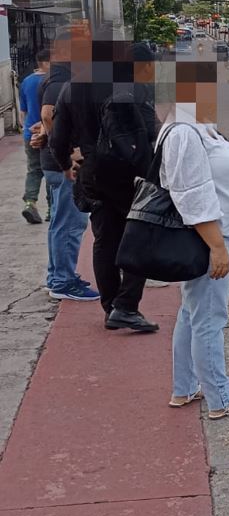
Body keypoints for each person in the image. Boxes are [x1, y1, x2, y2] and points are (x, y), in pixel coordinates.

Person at [157, 90, 229, 419]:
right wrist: (215, 247)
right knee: (209, 319)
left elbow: (209, 170)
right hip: (209, 236)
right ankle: (220, 398)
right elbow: (190, 193)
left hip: (215, 232)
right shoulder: (184, 131)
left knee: (191, 313)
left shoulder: (199, 126)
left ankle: (184, 388)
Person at [51, 38, 159, 332]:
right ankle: (126, 305)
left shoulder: (71, 88)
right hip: (128, 175)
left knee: (105, 240)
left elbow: (57, 139)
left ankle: (111, 306)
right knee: (140, 237)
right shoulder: (129, 87)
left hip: (92, 173)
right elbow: (150, 133)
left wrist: (65, 166)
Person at [32, 40, 99, 301]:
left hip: (55, 162)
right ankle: (63, 280)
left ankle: (57, 276)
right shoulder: (60, 79)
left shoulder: (59, 77)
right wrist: (67, 153)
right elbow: (48, 115)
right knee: (70, 224)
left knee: (61, 223)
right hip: (64, 166)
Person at [18, 52, 51, 224]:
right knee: (52, 169)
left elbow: (23, 111)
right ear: (46, 62)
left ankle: (30, 203)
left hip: (29, 132)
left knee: (33, 169)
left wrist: (25, 129)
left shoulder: (26, 81)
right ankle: (52, 208)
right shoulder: (51, 81)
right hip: (48, 130)